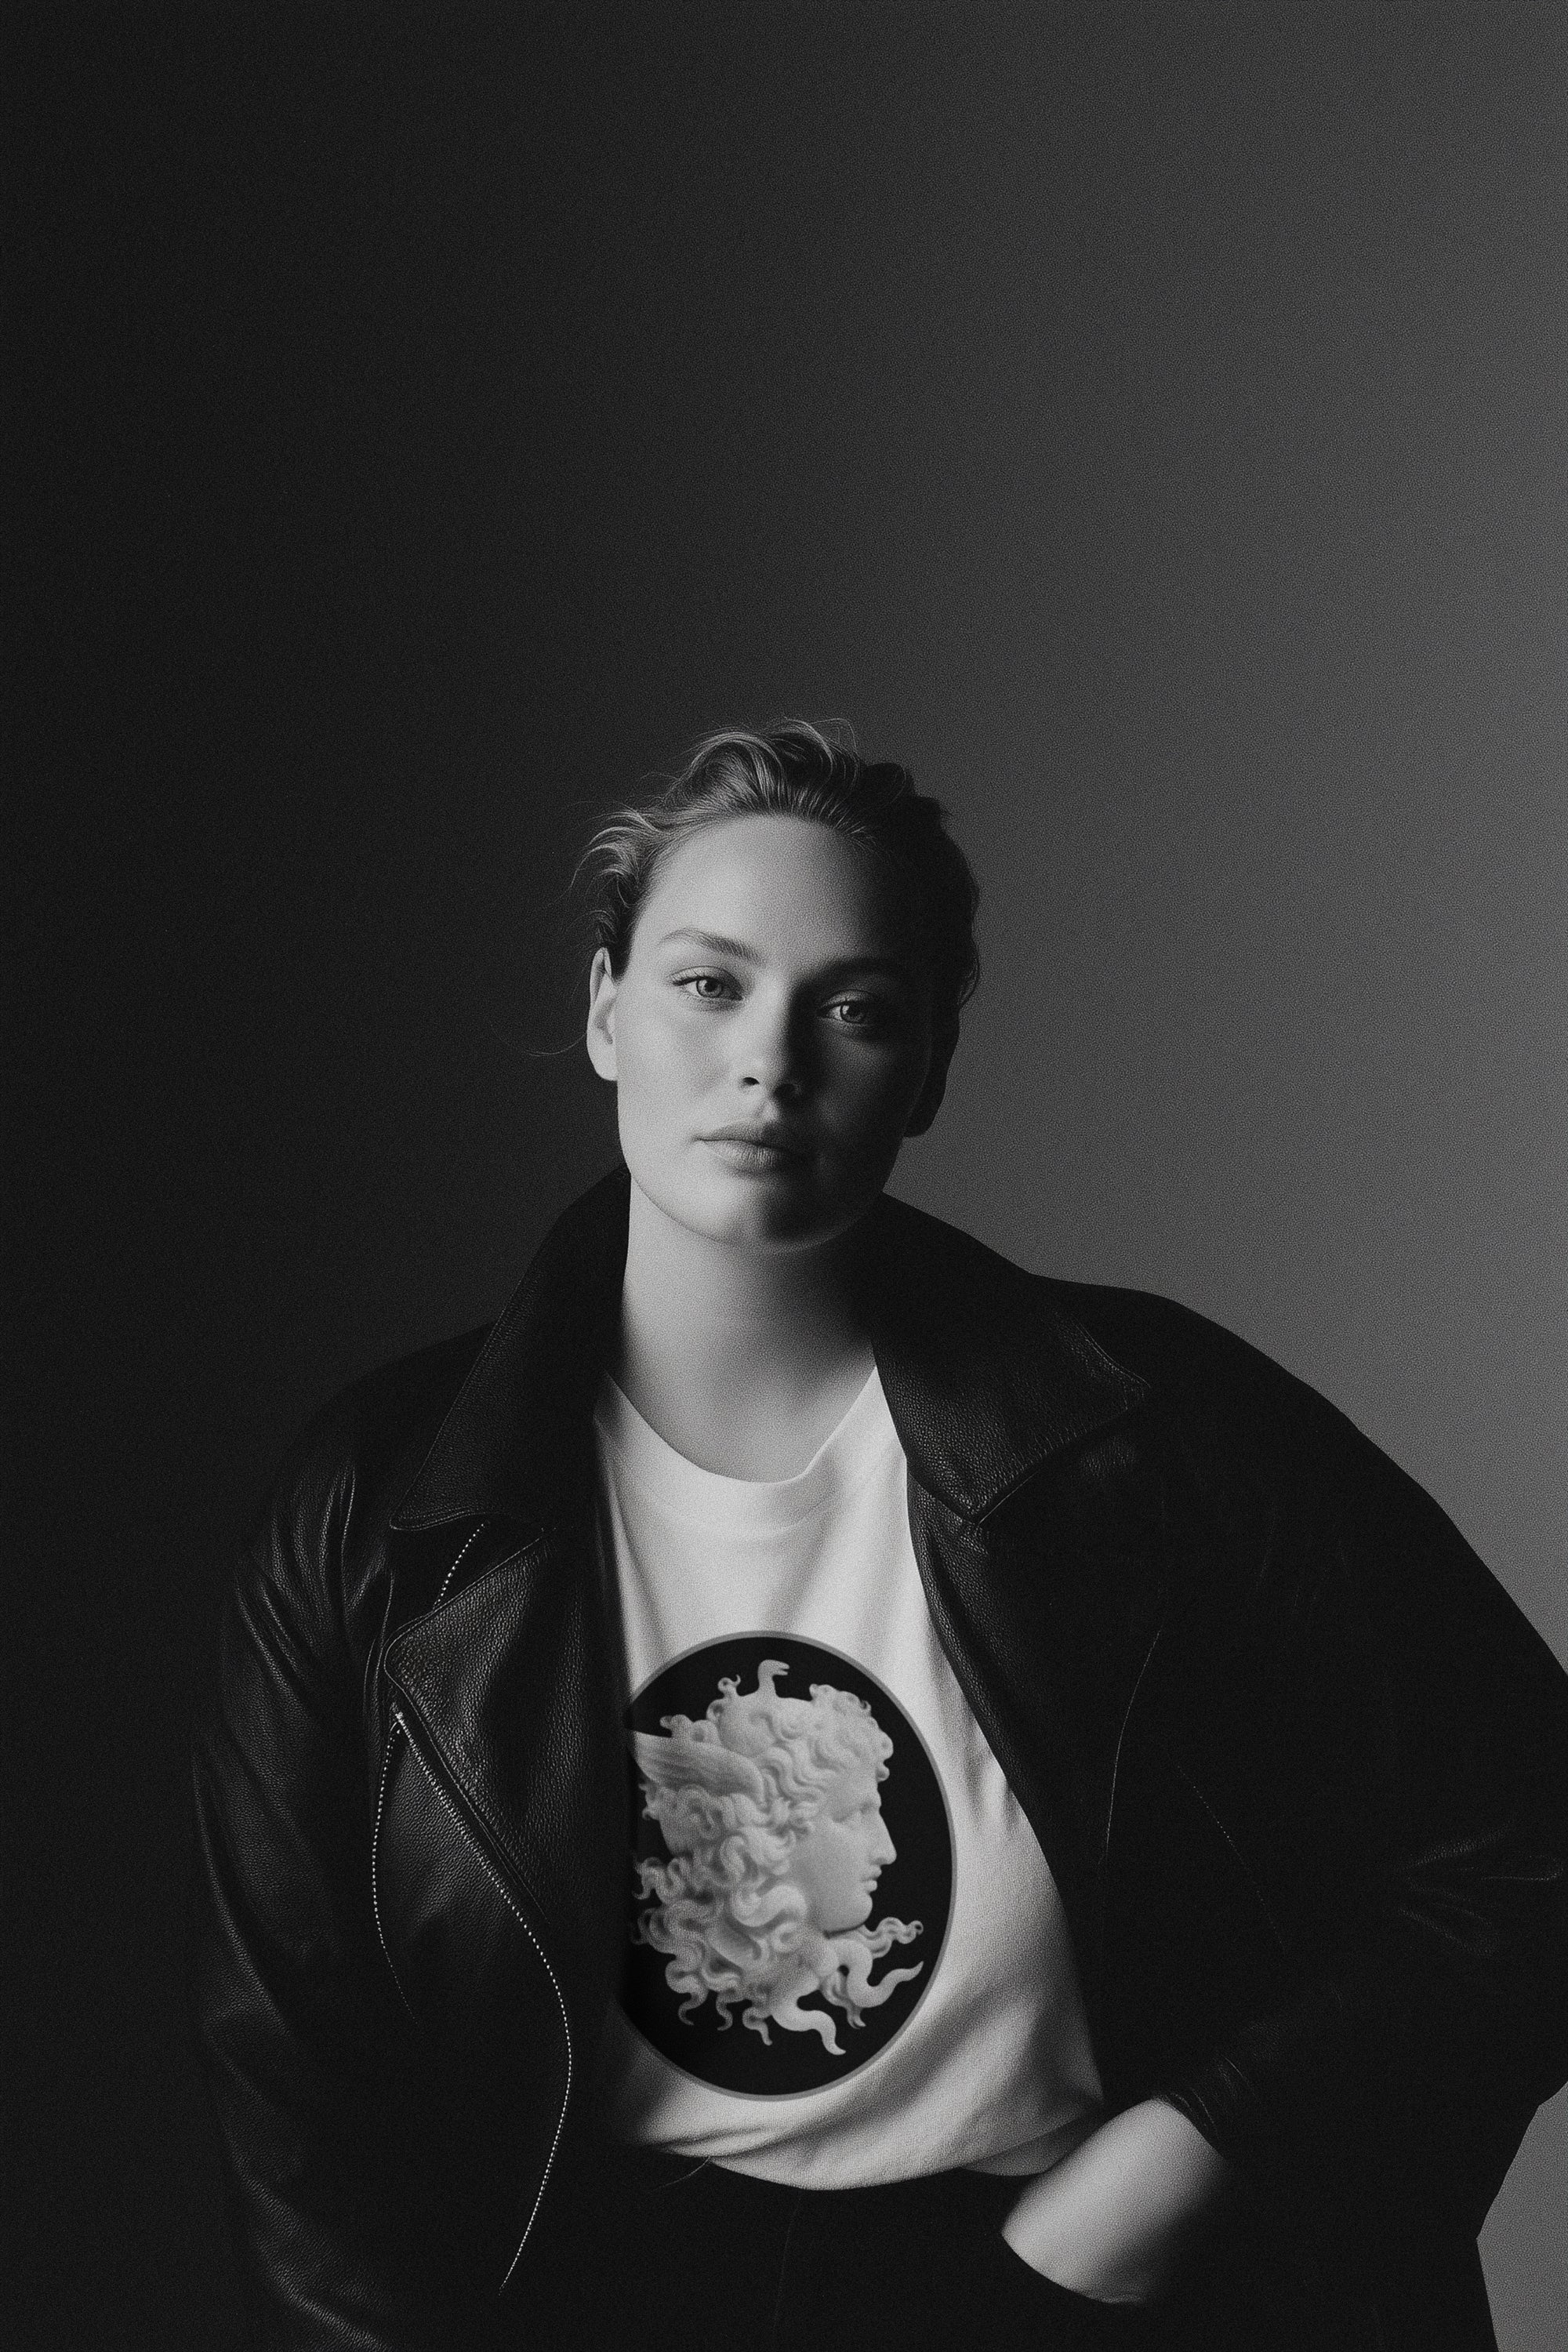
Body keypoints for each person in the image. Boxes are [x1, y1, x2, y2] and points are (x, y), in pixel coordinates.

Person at [191, 720, 1568, 2352]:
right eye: (709, 983)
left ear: (927, 1071)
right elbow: (301, 2085)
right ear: (603, 1012)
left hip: (1083, 2292)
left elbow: (1530, 1839)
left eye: (854, 1008)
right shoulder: (375, 1506)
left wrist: (1194, 2152)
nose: (771, 1060)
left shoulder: (1151, 1433)